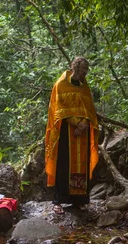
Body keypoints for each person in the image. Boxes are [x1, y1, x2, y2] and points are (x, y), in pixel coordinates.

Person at [45, 56, 99, 215]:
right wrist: (76, 123)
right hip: (66, 130)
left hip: (82, 131)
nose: (85, 73)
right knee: (63, 164)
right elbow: (59, 109)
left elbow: (89, 108)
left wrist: (83, 125)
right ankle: (58, 201)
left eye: (87, 70)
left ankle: (79, 200)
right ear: (75, 68)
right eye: (84, 70)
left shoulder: (84, 86)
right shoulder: (61, 84)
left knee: (81, 165)